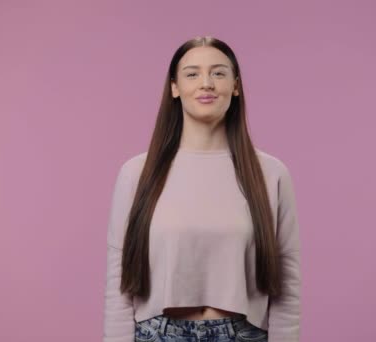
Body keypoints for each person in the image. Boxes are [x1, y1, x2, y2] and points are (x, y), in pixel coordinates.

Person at [103, 36, 301, 342]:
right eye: (192, 74)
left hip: (243, 334)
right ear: (174, 87)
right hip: (157, 333)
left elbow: (287, 280)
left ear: (235, 86)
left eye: (219, 73)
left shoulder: (271, 173)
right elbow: (119, 280)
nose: (206, 83)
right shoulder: (136, 173)